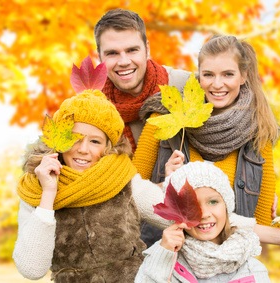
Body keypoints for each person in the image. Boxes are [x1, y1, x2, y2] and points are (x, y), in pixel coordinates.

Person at [134, 35, 280, 248]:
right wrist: (163, 185)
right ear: (198, 76)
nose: (217, 84)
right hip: (168, 256)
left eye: (228, 74)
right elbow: (130, 194)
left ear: (243, 76)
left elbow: (260, 222)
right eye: (208, 75)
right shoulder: (165, 118)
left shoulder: (258, 133)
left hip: (228, 262)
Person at [12, 88, 170, 282]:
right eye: (75, 138)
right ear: (58, 140)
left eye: (95, 141)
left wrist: (173, 181)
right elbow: (32, 268)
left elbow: (177, 219)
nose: (83, 149)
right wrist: (48, 194)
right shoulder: (34, 189)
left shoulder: (123, 181)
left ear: (108, 147)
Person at [135, 161, 271, 282]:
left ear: (226, 206)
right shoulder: (162, 258)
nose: (204, 214)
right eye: (192, 205)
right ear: (178, 213)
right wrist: (163, 256)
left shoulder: (253, 270)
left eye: (213, 202)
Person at [94, 8, 190, 153]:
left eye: (132, 50)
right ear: (100, 57)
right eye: (112, 53)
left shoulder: (186, 85)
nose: (124, 61)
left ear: (147, 49)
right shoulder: (95, 109)